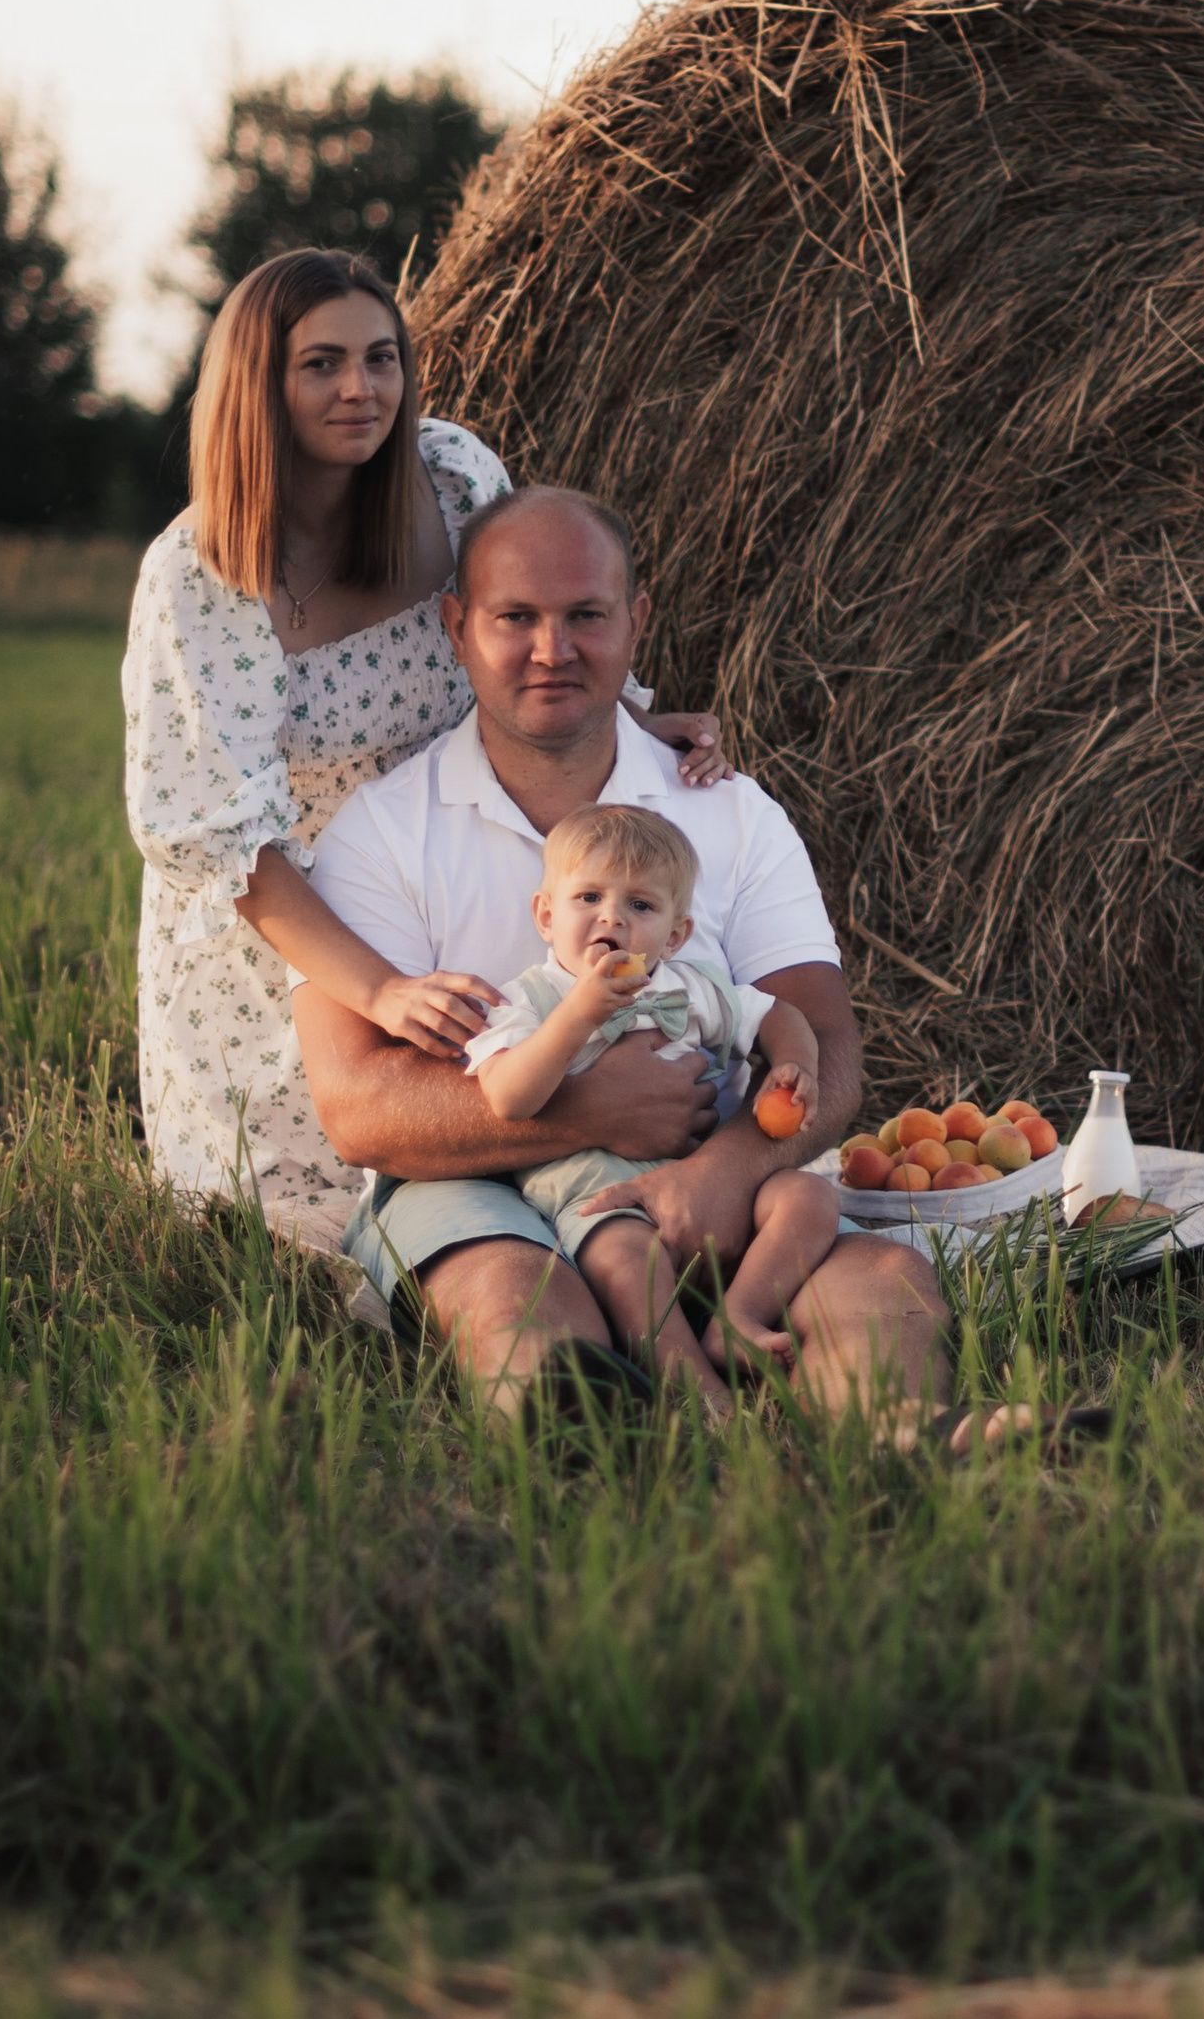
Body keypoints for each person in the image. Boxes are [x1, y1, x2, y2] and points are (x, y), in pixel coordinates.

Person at [294, 482, 950, 1423]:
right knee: (513, 1300)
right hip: (470, 1193)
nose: (552, 649)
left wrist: (724, 1172)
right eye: (515, 617)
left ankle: (903, 1442)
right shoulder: (380, 832)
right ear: (457, 626)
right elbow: (359, 1108)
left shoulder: (733, 814)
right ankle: (619, 1468)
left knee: (883, 1280)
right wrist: (592, 1109)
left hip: (711, 1174)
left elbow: (828, 1047)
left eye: (586, 616)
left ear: (636, 621)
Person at [123, 247, 727, 1256]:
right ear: (256, 386)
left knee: (503, 1111)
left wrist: (615, 716)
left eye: (381, 357)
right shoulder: (201, 573)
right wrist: (378, 989)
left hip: (444, 843)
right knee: (298, 1219)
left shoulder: (449, 475)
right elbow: (229, 846)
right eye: (321, 363)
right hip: (285, 910)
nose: (361, 388)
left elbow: (522, 610)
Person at [464, 800, 842, 1404]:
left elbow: (779, 1014)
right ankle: (690, 1384)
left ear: (675, 934)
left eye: (639, 905)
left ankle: (738, 1317)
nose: (611, 916)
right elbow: (509, 1098)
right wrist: (576, 1015)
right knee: (624, 1260)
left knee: (810, 1198)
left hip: (705, 1181)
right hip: (597, 1193)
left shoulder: (690, 989)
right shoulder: (525, 1001)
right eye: (589, 897)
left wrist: (794, 1065)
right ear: (546, 915)